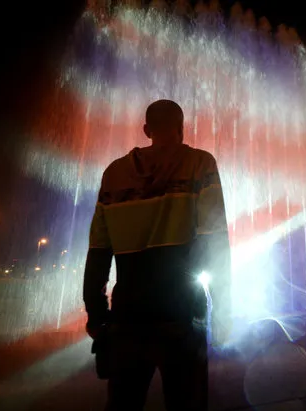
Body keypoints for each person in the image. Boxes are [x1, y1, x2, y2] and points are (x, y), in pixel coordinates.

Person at [83, 99, 231, 411]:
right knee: (186, 403)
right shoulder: (200, 165)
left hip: (127, 316)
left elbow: (98, 250)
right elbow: (214, 241)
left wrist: (97, 315)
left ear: (147, 130)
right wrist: (221, 310)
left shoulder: (114, 173)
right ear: (181, 128)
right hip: (182, 315)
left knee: (123, 405)